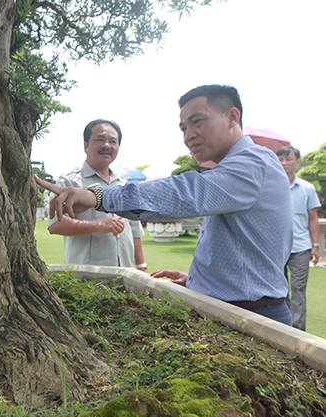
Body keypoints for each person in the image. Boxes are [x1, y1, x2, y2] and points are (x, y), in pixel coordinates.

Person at [36, 84, 294, 325]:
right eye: (183, 128)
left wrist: (97, 196)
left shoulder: (253, 163)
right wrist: (199, 282)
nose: (189, 135)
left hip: (253, 314)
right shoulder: (234, 168)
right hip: (234, 305)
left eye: (197, 122)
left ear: (232, 117)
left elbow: (185, 193)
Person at [46, 119, 146, 270]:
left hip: (126, 274)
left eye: (113, 141)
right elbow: (55, 225)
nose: (107, 145)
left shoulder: (125, 185)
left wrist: (141, 266)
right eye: (100, 139)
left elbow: (134, 229)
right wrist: (97, 226)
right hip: (87, 277)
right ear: (85, 145)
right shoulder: (69, 181)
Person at [276, 146, 321, 330]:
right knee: (280, 291)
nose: (284, 163)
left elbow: (313, 218)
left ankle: (298, 332)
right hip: (277, 247)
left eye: (288, 159)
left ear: (298, 162)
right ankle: (284, 328)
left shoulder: (307, 189)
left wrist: (315, 245)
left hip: (300, 247)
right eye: (280, 159)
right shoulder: (272, 187)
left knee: (299, 291)